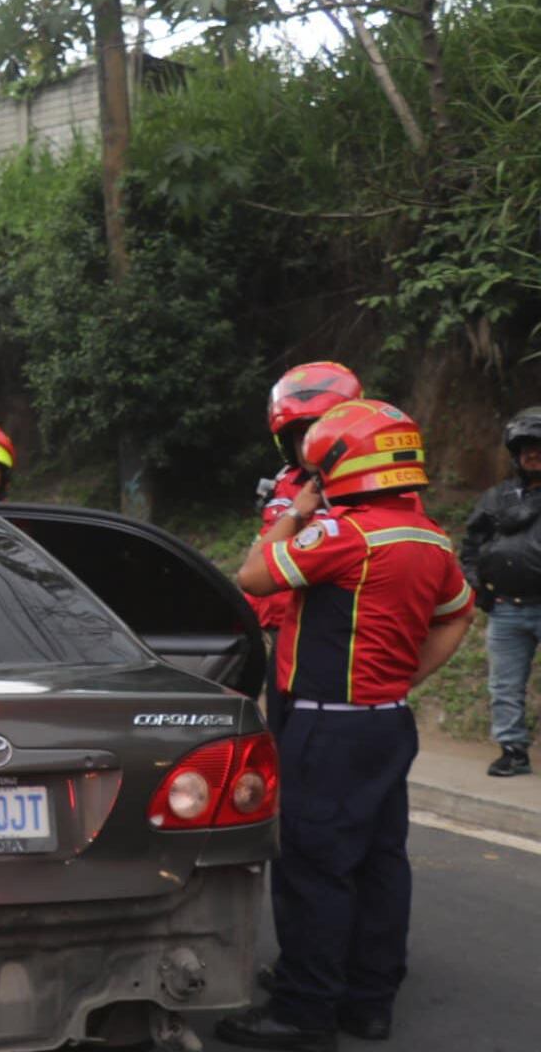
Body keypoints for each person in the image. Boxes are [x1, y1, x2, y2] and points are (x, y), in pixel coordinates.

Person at [217, 399, 474, 1052]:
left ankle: (305, 1011)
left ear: (343, 464)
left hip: (327, 726)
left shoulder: (341, 535)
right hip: (388, 722)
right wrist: (404, 680)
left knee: (314, 868)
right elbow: (457, 616)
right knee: (382, 862)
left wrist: (296, 516)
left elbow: (252, 577)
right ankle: (369, 1003)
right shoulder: (430, 537)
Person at [251, 362, 364, 731]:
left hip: (331, 639)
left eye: (319, 432)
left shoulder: (364, 488)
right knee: (280, 743)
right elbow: (260, 561)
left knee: (320, 746)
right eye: (300, 435)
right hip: (279, 634)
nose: (310, 444)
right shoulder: (286, 484)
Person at [459, 407, 541, 778]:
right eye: (526, 448)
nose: (533, 454)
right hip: (507, 608)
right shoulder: (497, 498)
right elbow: (471, 547)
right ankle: (512, 750)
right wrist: (478, 588)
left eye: (539, 447)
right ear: (516, 454)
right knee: (504, 684)